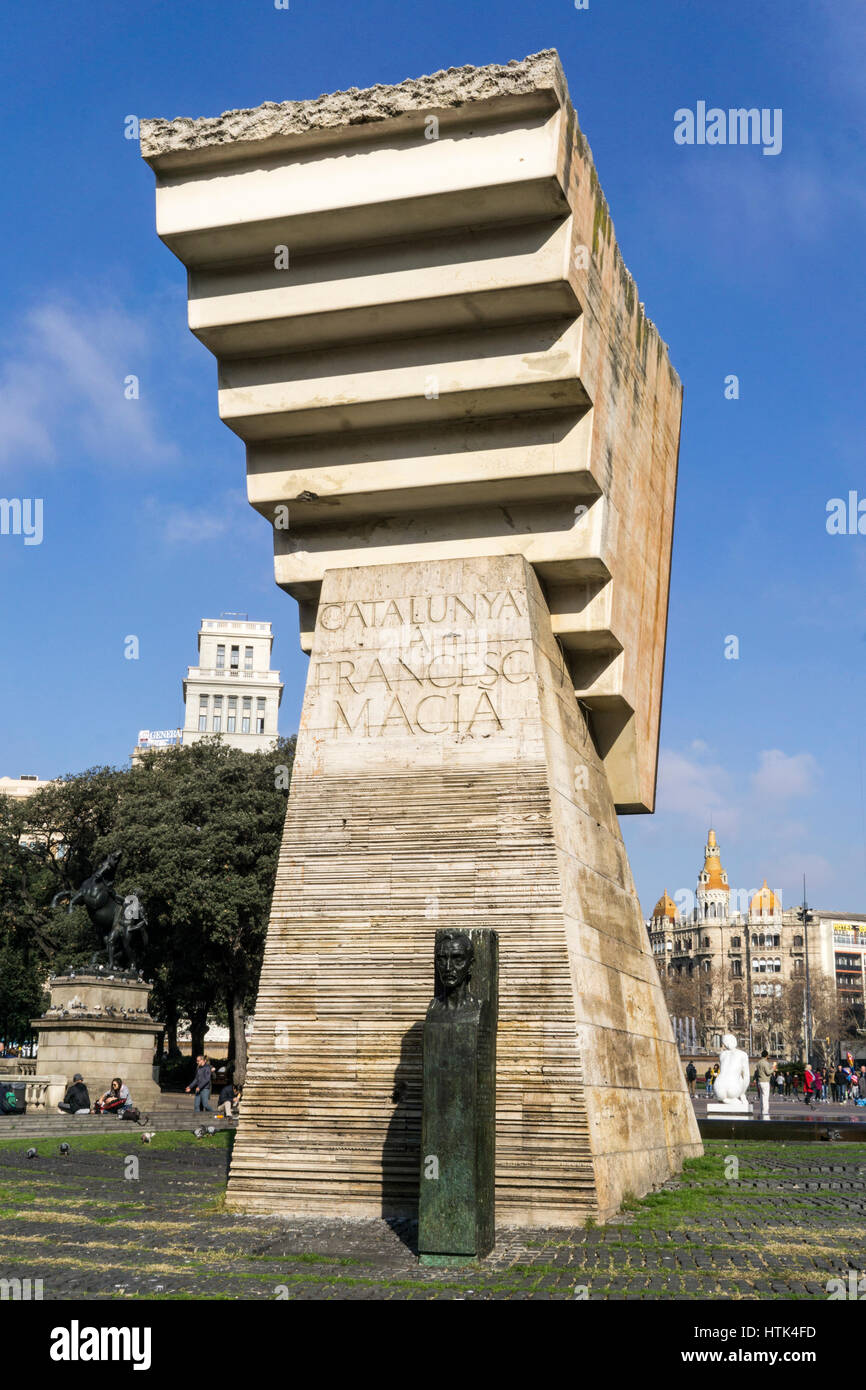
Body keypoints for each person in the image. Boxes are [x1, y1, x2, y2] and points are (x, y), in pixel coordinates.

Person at [755, 1050, 776, 1119]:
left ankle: (762, 1110)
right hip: (765, 1081)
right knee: (765, 1097)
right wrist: (773, 1069)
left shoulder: (758, 1063)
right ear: (767, 1056)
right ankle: (765, 1112)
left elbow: (757, 1072)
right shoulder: (765, 1063)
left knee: (761, 1097)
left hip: (760, 1081)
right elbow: (768, 1072)